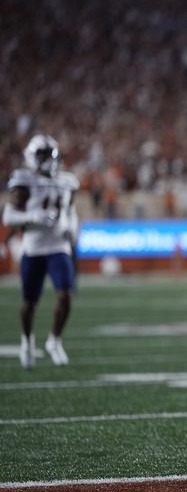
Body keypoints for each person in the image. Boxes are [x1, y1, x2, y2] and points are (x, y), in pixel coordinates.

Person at [2, 134, 80, 368]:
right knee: (29, 302)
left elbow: (70, 211)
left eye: (52, 155)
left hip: (58, 246)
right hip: (34, 248)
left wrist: (72, 228)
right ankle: (27, 340)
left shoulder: (67, 181)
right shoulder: (24, 179)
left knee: (65, 295)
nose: (49, 161)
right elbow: (8, 216)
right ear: (32, 157)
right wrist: (33, 217)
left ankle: (54, 340)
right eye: (44, 156)